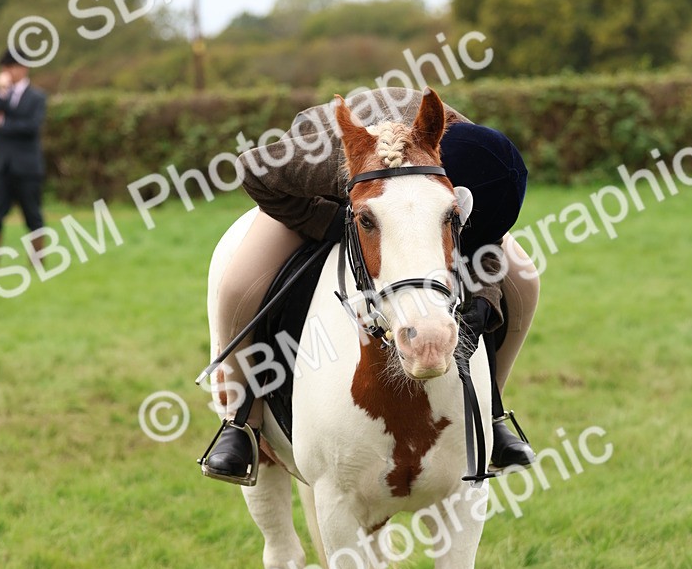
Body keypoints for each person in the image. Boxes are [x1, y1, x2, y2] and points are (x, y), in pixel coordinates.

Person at [202, 87, 540, 484]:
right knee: (239, 285)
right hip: (320, 193)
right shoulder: (322, 158)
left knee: (524, 277)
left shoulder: (479, 164)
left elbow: (485, 238)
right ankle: (240, 421)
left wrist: (485, 295)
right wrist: (335, 224)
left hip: (426, 200)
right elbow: (254, 171)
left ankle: (491, 409)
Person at [0, 47, 47, 265]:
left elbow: (31, 127)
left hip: (27, 166)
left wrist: (4, 123)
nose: (8, 71)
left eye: (11, 67)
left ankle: (37, 262)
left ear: (24, 68)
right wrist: (1, 94)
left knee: (32, 215)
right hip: (0, 166)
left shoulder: (37, 97)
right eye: (4, 68)